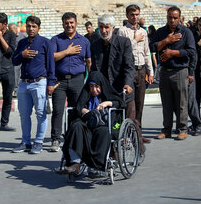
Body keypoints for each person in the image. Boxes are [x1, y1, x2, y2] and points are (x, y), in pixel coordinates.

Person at [90, 14, 142, 153]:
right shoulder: (95, 45)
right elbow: (94, 70)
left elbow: (129, 66)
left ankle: (139, 149)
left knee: (131, 121)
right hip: (106, 92)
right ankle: (113, 155)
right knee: (110, 125)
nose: (104, 31)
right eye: (101, 27)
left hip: (123, 89)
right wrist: (94, 85)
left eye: (107, 27)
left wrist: (128, 83)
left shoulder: (123, 42)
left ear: (113, 28)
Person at [62, 71, 125, 174]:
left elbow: (121, 103)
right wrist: (82, 110)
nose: (94, 90)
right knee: (76, 125)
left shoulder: (107, 94)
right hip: (87, 127)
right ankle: (75, 163)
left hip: (102, 126)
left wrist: (108, 103)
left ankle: (97, 167)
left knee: (104, 133)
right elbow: (77, 109)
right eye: (91, 86)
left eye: (97, 86)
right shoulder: (85, 96)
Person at [11, 15, 56, 154]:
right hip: (24, 84)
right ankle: (26, 142)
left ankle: (39, 141)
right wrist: (22, 55)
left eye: (34, 26)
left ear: (38, 28)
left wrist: (51, 83)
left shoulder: (45, 43)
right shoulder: (22, 43)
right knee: (24, 114)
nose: (31, 29)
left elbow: (51, 64)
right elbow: (14, 61)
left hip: (39, 82)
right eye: (29, 26)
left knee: (41, 113)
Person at [151, 6, 196, 140]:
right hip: (165, 72)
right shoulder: (161, 32)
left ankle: (182, 129)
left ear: (179, 18)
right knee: (166, 103)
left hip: (180, 71)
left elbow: (191, 52)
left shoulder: (186, 32)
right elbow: (152, 47)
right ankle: (166, 130)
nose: (172, 20)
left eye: (175, 18)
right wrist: (167, 41)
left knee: (182, 102)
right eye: (170, 17)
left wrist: (173, 53)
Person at [50, 12, 91, 152]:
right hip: (59, 81)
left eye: (72, 22)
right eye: (66, 23)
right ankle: (55, 139)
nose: (69, 25)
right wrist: (67, 52)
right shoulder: (56, 40)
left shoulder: (84, 41)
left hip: (78, 80)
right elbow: (52, 58)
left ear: (76, 23)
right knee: (58, 111)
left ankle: (74, 137)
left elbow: (89, 61)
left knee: (76, 110)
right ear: (63, 24)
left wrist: (90, 80)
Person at [118, 5, 154, 144]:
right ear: (127, 15)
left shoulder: (143, 32)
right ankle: (127, 134)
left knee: (140, 103)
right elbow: (122, 51)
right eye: (132, 14)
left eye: (137, 14)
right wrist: (135, 40)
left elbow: (147, 52)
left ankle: (138, 134)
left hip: (141, 70)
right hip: (128, 71)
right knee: (130, 104)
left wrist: (150, 71)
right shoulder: (122, 31)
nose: (135, 17)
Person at [8, 22, 27, 96]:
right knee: (15, 73)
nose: (10, 32)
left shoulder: (23, 35)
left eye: (11, 30)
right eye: (9, 30)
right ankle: (16, 90)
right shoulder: (9, 38)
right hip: (15, 59)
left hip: (24, 57)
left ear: (16, 29)